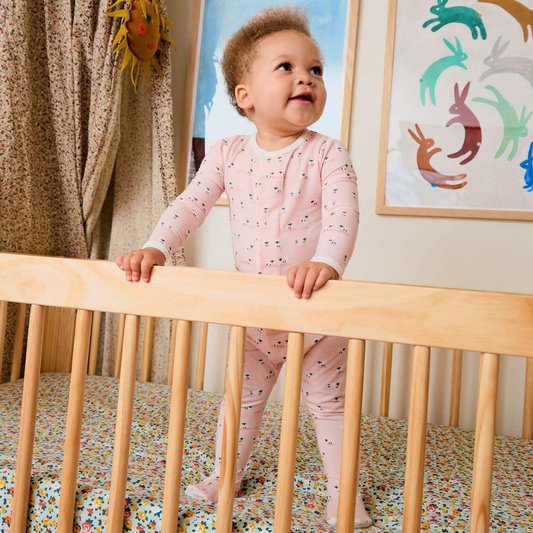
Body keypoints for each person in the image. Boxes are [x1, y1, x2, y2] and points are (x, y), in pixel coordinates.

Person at [116, 6, 371, 529]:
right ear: (245, 95)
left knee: (331, 408)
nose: (306, 78)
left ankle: (344, 494)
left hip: (315, 313)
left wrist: (326, 262)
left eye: (316, 70)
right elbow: (190, 205)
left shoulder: (328, 153)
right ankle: (225, 474)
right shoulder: (227, 153)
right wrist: (156, 248)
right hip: (254, 317)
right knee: (241, 402)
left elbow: (344, 214)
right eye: (287, 67)